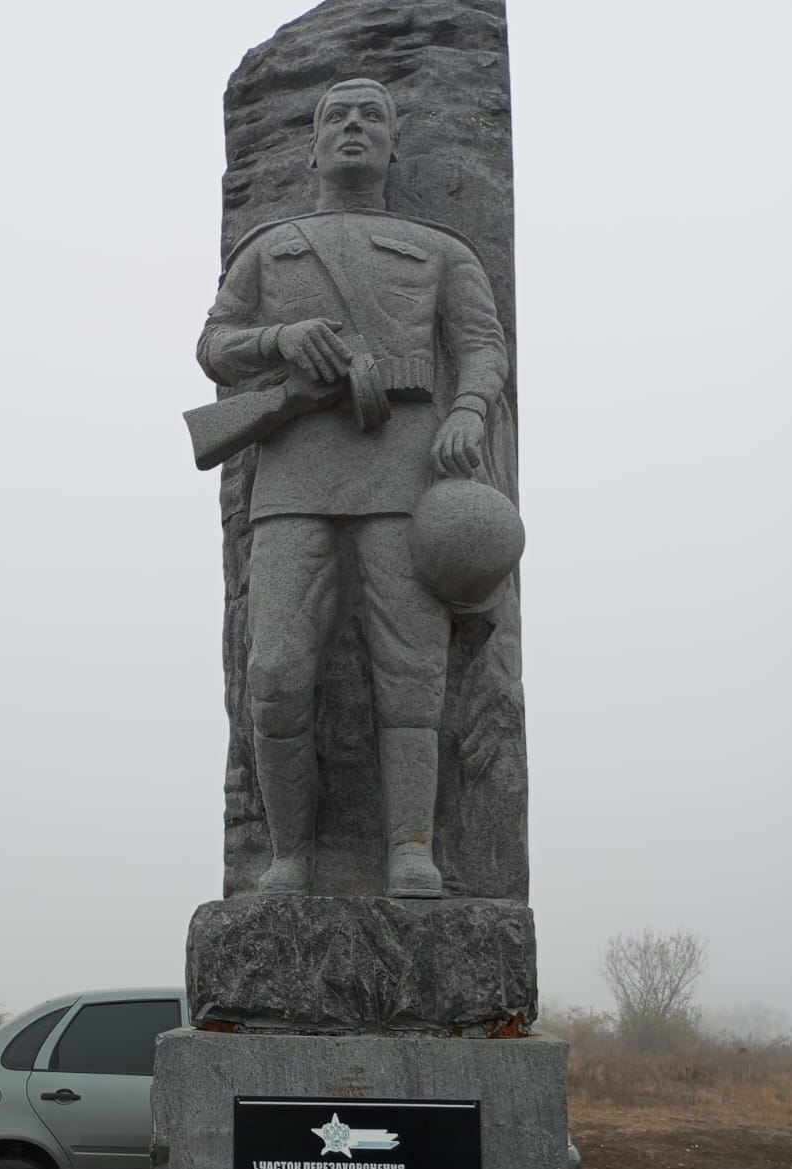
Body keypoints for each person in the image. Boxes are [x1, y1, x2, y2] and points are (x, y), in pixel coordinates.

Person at [197, 77, 510, 897]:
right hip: (294, 478)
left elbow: (481, 345)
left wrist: (469, 411)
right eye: (336, 115)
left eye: (372, 115)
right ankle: (290, 855)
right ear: (312, 142)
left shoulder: (442, 250)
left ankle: (410, 848)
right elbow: (216, 346)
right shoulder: (272, 247)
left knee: (412, 676)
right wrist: (283, 336)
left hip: (405, 473)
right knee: (275, 674)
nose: (353, 126)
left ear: (394, 143)